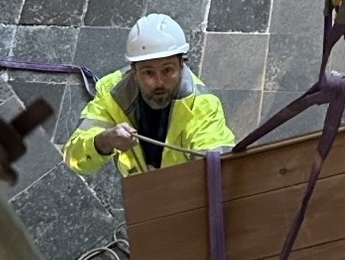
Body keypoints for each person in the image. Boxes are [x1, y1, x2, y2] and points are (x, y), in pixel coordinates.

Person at [64, 13, 234, 176]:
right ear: (134, 71)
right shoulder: (111, 94)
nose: (159, 82)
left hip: (183, 186)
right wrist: (104, 141)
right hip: (139, 185)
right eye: (148, 73)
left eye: (167, 70)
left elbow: (215, 149)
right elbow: (74, 158)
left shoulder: (203, 104)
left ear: (182, 64)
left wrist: (210, 161)